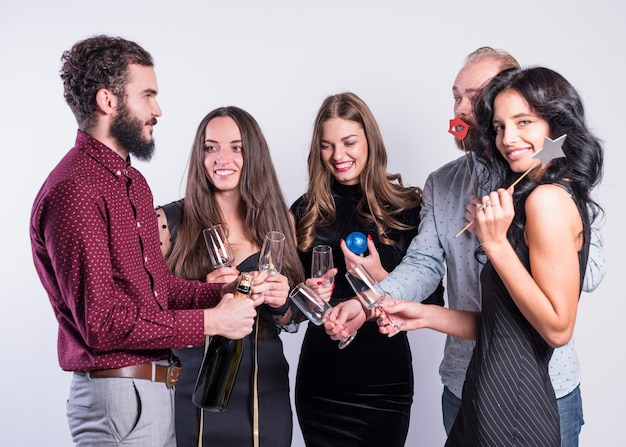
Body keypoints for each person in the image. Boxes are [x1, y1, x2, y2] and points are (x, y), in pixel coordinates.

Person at [331, 47, 605, 447]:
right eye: (456, 96)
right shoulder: (443, 183)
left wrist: (503, 238)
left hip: (542, 383)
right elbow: (424, 264)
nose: (461, 109)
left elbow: (589, 275)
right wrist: (372, 300)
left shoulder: (547, 190)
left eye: (474, 98)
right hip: (463, 380)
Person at [29, 35, 273, 446]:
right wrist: (211, 321)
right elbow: (102, 325)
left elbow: (154, 292)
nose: (158, 110)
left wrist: (217, 292)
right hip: (117, 399)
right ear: (109, 101)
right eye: (148, 95)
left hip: (156, 392)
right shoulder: (75, 191)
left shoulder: (132, 184)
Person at [290, 91, 444, 446]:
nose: (338, 155)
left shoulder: (407, 209)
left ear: (370, 142)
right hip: (321, 382)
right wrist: (310, 297)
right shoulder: (305, 213)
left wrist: (380, 278)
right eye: (327, 145)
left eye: (349, 142)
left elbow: (434, 301)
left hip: (385, 385)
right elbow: (291, 307)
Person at [156, 106, 304, 447]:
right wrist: (202, 295)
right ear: (200, 155)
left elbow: (289, 318)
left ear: (253, 154)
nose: (223, 158)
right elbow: (148, 307)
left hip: (266, 390)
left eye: (236, 147)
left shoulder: (280, 220)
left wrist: (283, 301)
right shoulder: (167, 221)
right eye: (211, 147)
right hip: (191, 389)